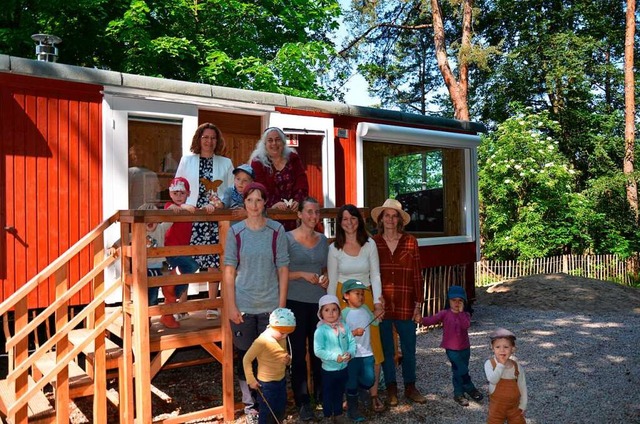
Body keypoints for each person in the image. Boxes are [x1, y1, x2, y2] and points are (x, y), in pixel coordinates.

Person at [223, 182, 289, 424]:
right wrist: (231, 305)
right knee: (246, 357)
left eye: (259, 200)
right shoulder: (235, 232)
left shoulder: (276, 230)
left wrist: (280, 307)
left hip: (270, 306)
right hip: (244, 306)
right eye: (249, 200)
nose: (254, 205)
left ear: (265, 203)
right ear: (244, 203)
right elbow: (229, 270)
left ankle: (270, 405)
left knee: (271, 357)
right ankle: (250, 405)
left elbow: (283, 268)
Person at [327, 204, 386, 413]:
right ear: (339, 223)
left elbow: (375, 274)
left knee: (373, 344)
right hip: (343, 296)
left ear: (358, 221)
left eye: (352, 218)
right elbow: (332, 280)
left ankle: (374, 395)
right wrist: (331, 309)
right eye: (344, 219)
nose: (349, 222)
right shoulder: (334, 248)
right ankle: (348, 394)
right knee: (345, 344)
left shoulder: (369, 244)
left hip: (366, 294)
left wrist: (378, 302)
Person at [174, 122, 234, 319]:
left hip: (215, 218)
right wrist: (182, 205)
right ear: (199, 139)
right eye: (205, 137)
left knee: (213, 261)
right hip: (192, 216)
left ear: (218, 141)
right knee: (187, 260)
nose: (209, 141)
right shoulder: (187, 160)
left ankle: (211, 305)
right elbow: (177, 187)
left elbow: (231, 191)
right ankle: (181, 307)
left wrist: (221, 205)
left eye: (213, 138)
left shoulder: (225, 163)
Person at [371, 198, 427, 406]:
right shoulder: (373, 242)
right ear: (381, 219)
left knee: (409, 348)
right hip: (382, 305)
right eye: (387, 215)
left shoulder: (410, 241)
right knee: (387, 350)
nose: (391, 220)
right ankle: (391, 389)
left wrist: (418, 305)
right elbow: (371, 274)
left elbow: (417, 275)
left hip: (405, 302)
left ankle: (410, 387)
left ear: (399, 220)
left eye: (395, 216)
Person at [286, 197, 329, 421]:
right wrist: (302, 275)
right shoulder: (288, 239)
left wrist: (325, 280)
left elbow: (325, 268)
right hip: (294, 301)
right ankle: (303, 400)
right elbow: (279, 272)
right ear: (300, 214)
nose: (314, 216)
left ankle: (322, 396)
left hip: (317, 303)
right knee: (298, 354)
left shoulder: (323, 241)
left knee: (318, 350)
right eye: (309, 212)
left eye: (317, 212)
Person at [421, 285, 484, 406]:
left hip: (465, 348)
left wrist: (460, 313)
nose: (456, 303)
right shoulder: (445, 313)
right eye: (453, 300)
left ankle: (458, 394)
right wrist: (421, 320)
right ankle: (470, 387)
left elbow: (466, 326)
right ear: (448, 301)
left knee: (457, 371)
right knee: (462, 369)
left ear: (464, 302)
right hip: (451, 349)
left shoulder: (465, 314)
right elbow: (432, 319)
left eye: (460, 300)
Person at [108, 203, 170, 311]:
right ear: (141, 222)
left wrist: (173, 208)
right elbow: (124, 239)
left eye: (153, 219)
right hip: (141, 267)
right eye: (146, 219)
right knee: (142, 294)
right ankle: (144, 314)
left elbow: (170, 219)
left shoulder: (161, 228)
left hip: (155, 267)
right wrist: (113, 247)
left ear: (158, 220)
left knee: (153, 294)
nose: (150, 222)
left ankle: (149, 316)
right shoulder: (138, 230)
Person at [249, 127, 309, 231]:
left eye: (277, 140)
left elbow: (301, 180)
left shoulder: (293, 158)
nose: (274, 144)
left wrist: (298, 200)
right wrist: (274, 204)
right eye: (270, 140)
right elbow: (259, 187)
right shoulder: (258, 162)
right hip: (268, 214)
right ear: (264, 144)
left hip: (293, 215)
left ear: (283, 142)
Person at [243, 308, 296, 424]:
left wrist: (288, 360)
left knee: (280, 409)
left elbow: (284, 354)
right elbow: (246, 359)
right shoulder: (262, 341)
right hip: (266, 384)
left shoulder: (281, 337)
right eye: (282, 333)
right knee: (267, 412)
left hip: (281, 380)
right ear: (272, 326)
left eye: (287, 333)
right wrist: (251, 379)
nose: (284, 336)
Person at [314, 294, 356, 424]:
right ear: (321, 313)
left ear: (339, 311)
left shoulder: (344, 326)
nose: (331, 313)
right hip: (328, 370)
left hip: (343, 368)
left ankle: (338, 414)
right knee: (327, 393)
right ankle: (327, 415)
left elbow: (352, 342)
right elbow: (318, 350)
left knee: (339, 392)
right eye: (327, 310)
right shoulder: (320, 330)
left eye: (334, 309)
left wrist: (350, 353)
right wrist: (334, 357)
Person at [341, 279, 378, 422]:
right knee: (350, 383)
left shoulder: (366, 309)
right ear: (346, 296)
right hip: (352, 355)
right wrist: (353, 333)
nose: (361, 297)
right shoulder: (343, 314)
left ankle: (360, 390)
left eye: (362, 294)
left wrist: (378, 314)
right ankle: (353, 410)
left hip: (367, 353)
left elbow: (374, 322)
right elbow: (341, 334)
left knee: (369, 380)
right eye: (357, 293)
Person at [162, 177, 198, 328]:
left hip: (184, 248)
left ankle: (170, 301)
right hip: (171, 248)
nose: (178, 196)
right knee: (191, 266)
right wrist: (184, 207)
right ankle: (171, 291)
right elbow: (170, 210)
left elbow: (194, 210)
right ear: (170, 194)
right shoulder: (170, 205)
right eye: (175, 192)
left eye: (182, 193)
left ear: (188, 194)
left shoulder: (188, 208)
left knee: (187, 272)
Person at [485, 328, 528, 424]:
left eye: (506, 347)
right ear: (492, 348)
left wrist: (523, 404)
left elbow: (522, 386)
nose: (502, 350)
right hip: (497, 408)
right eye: (497, 347)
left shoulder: (517, 367)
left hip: (514, 407)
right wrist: (501, 364)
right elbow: (493, 380)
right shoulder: (489, 364)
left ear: (513, 349)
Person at [128, 144, 161, 209]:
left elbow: (157, 196)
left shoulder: (130, 172)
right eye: (134, 156)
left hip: (136, 211)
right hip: (141, 211)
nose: (136, 158)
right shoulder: (152, 174)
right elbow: (158, 198)